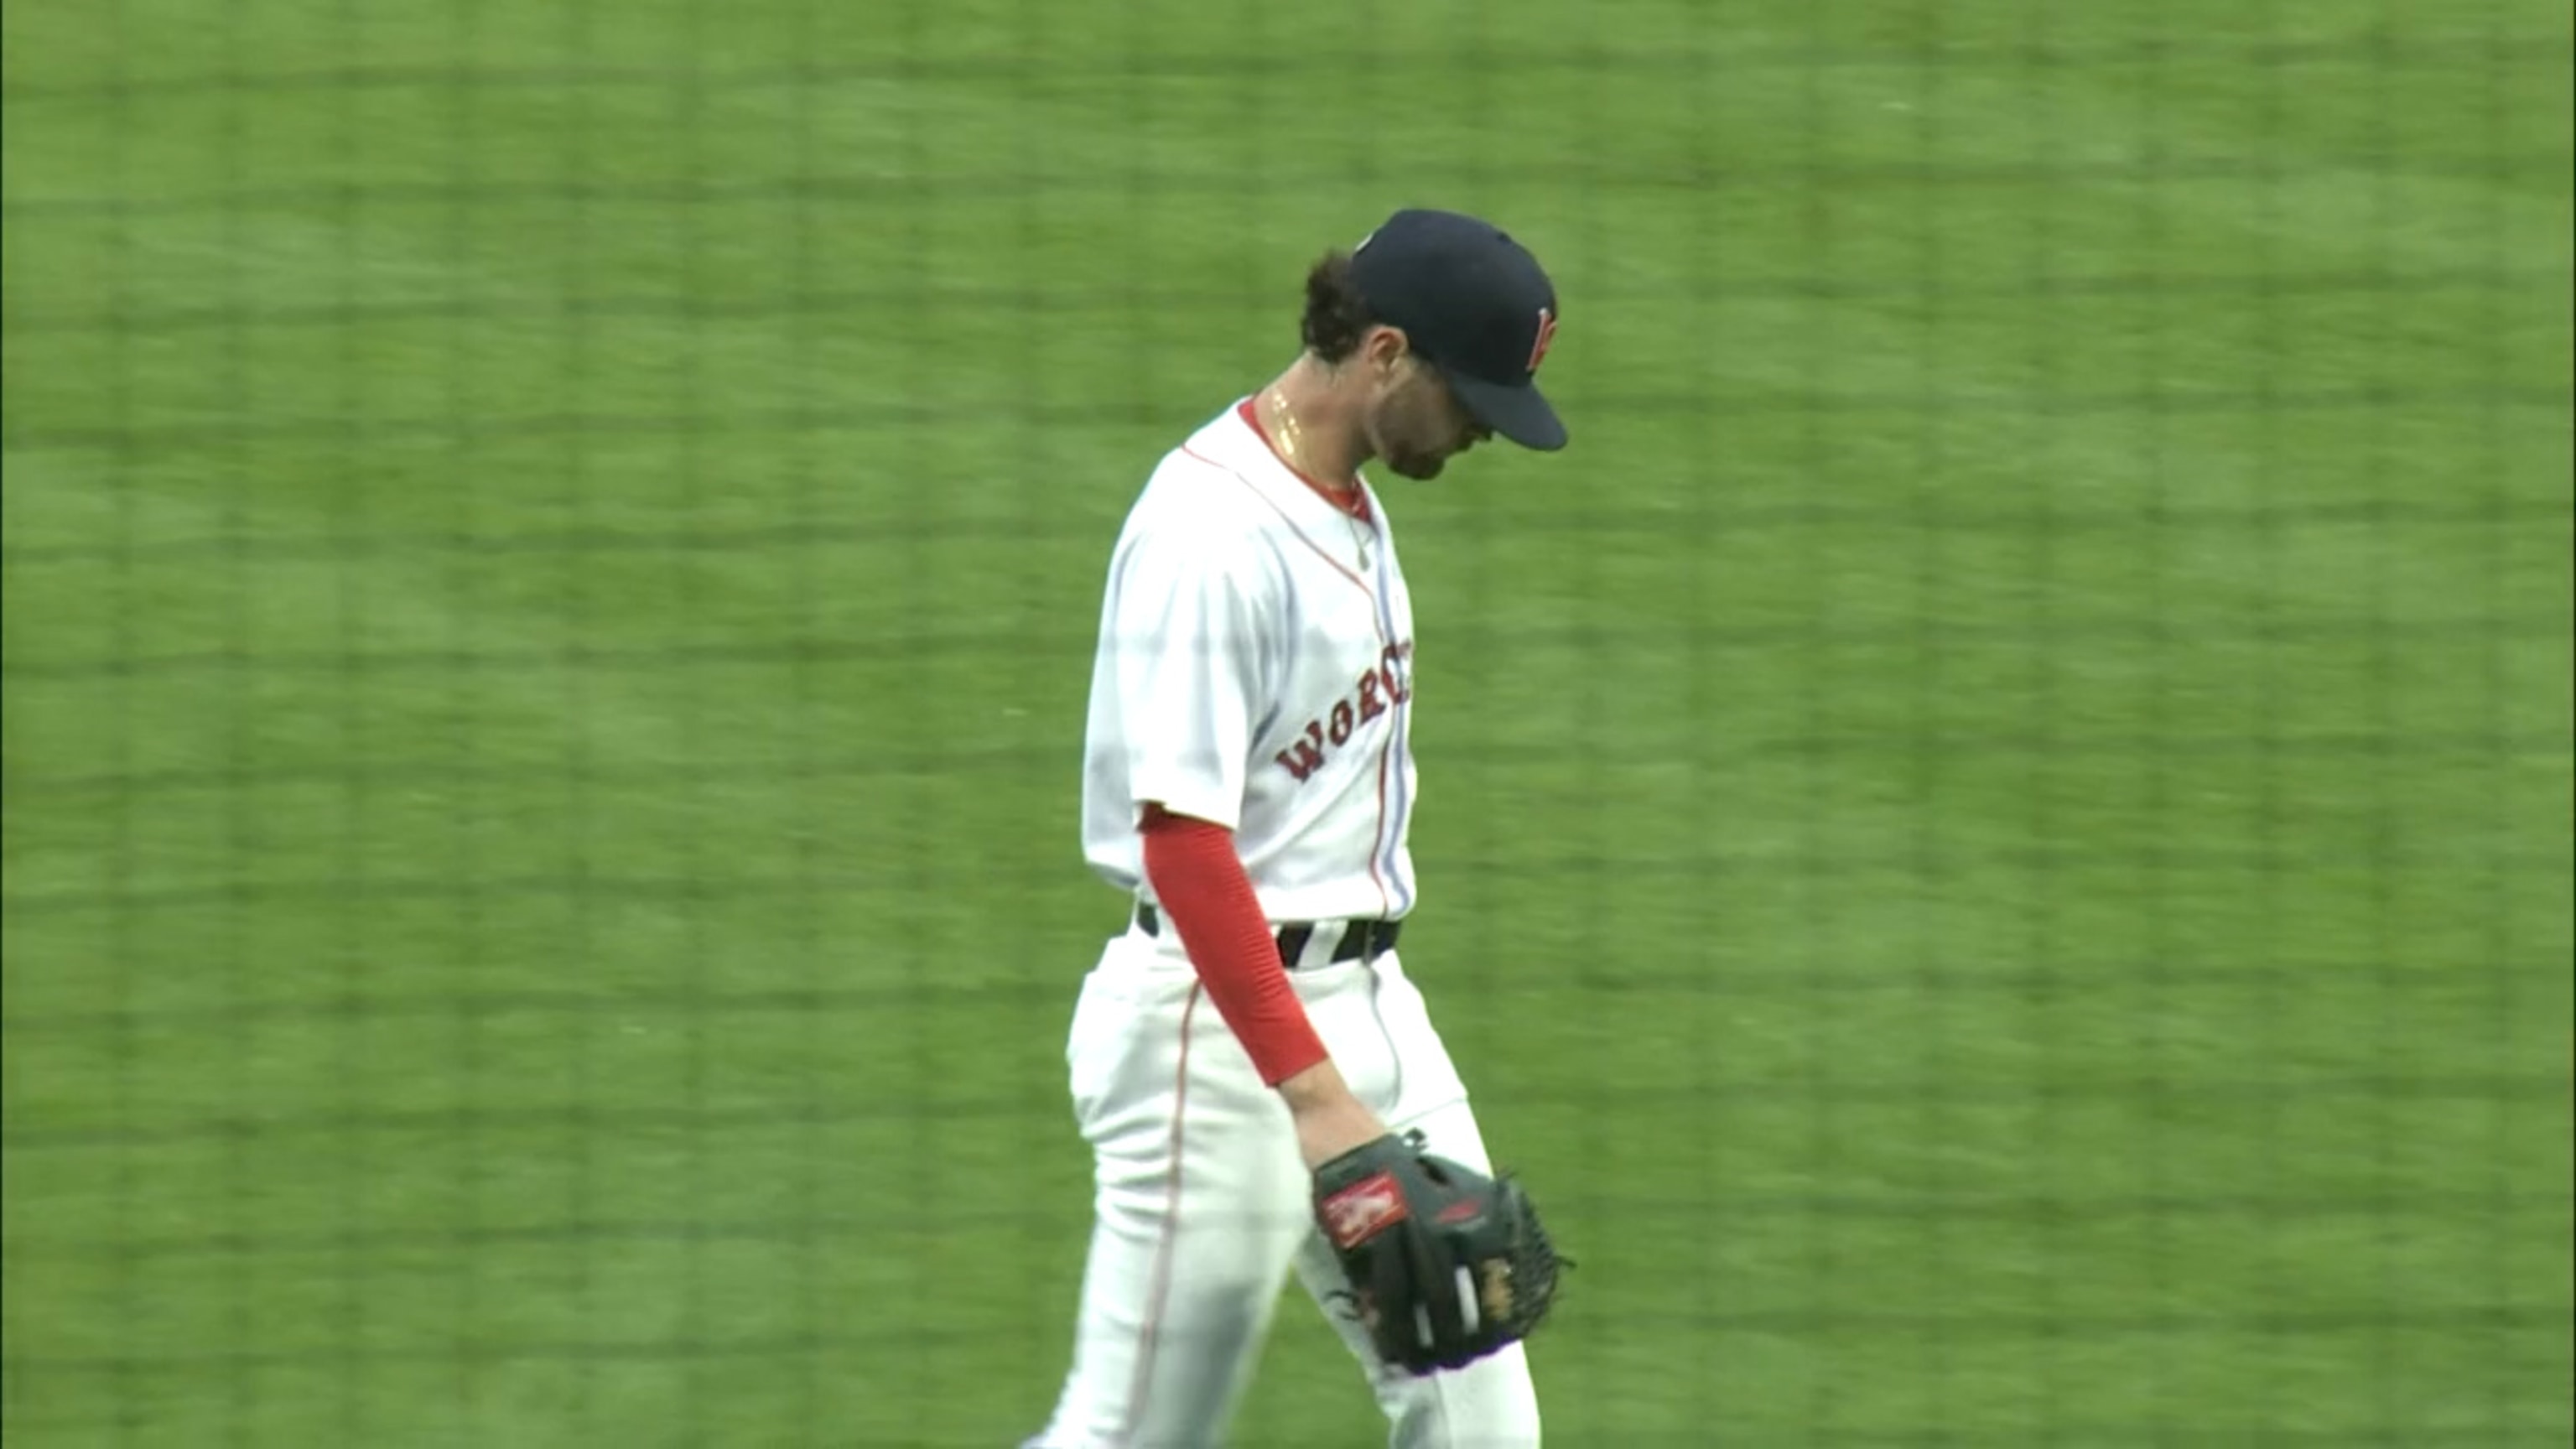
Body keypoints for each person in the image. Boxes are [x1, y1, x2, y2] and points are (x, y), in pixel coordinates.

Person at [1027, 208, 1567, 1449]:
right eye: (1470, 393)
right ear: (1385, 353)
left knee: (1484, 1432)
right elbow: (1185, 843)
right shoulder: (1210, 536)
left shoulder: (1342, 498)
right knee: (1135, 1438)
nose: (1485, 426)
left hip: (1371, 1009)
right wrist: (1318, 1100)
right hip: (1215, 1034)